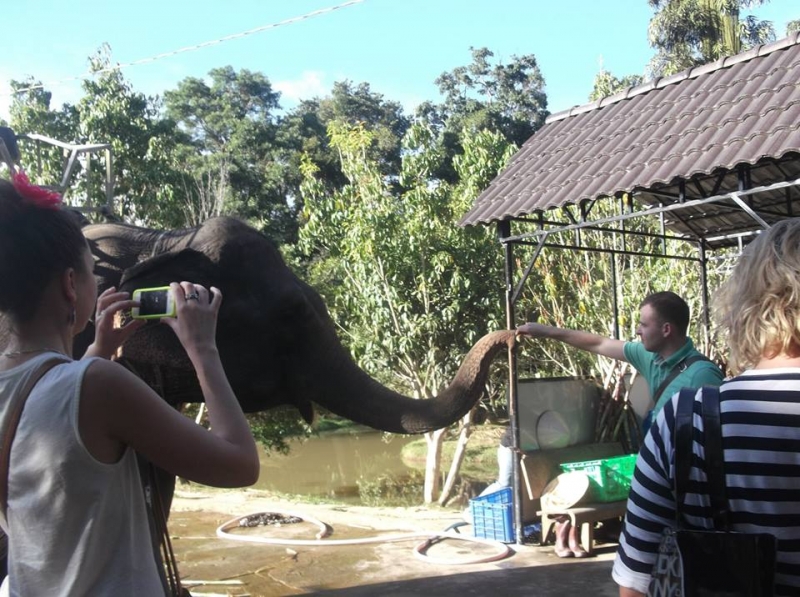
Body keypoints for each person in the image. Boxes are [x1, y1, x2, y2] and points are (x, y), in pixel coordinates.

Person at [0, 173, 259, 595]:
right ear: (70, 285)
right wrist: (202, 349)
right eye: (88, 271)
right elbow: (239, 464)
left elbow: (50, 410)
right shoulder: (97, 385)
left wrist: (99, 348)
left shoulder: (53, 381)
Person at [614, 219, 800, 596]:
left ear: (746, 300)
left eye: (643, 324)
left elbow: (635, 579)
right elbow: (603, 344)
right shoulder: (658, 370)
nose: (638, 331)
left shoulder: (688, 413)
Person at [517, 291, 724, 425]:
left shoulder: (702, 375)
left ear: (666, 329)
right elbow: (598, 343)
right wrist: (547, 332)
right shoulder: (650, 357)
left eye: (643, 325)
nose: (637, 331)